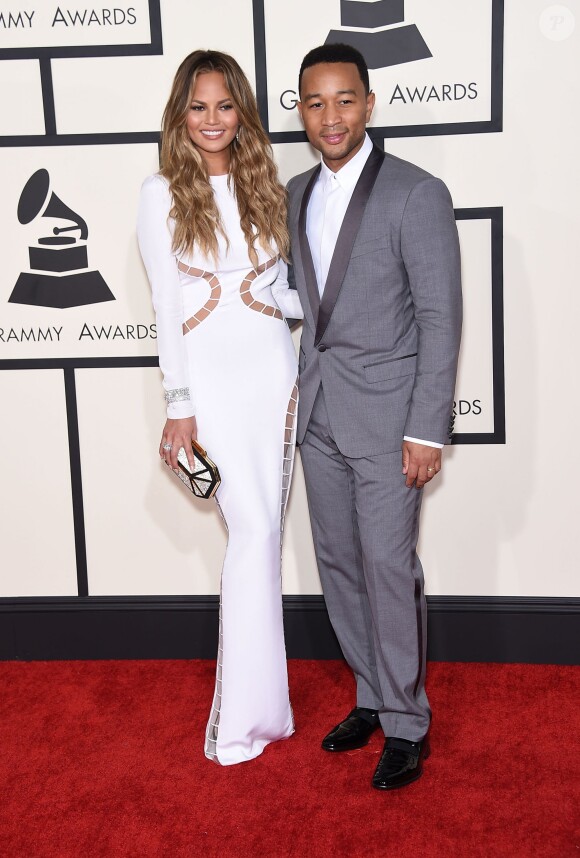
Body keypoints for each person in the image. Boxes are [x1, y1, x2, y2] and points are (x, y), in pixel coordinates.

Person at [287, 43, 462, 790]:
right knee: (338, 565)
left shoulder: (417, 193)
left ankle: (407, 723)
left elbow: (440, 319)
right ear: (301, 110)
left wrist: (426, 429)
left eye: (344, 100)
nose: (331, 116)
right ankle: (371, 694)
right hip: (319, 411)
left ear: (369, 103)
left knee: (389, 568)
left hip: (391, 421)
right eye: (315, 103)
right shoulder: (294, 191)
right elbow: (308, 305)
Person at [137, 49, 303, 766]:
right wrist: (179, 406)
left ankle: (269, 712)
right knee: (254, 532)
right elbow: (166, 307)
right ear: (180, 114)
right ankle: (241, 722)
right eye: (198, 107)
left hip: (275, 375)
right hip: (210, 386)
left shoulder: (267, 185)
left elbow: (284, 293)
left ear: (243, 113)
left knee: (264, 538)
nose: (212, 120)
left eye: (225, 106)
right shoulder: (160, 193)